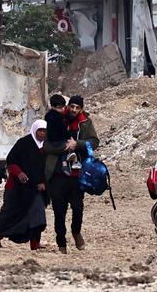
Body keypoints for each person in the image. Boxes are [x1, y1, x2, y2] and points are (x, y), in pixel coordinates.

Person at [44, 94, 99, 253]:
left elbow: (94, 143)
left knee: (78, 207)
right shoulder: (56, 119)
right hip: (57, 174)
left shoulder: (86, 123)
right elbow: (46, 145)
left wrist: (78, 144)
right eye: (72, 107)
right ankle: (61, 242)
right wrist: (64, 148)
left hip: (77, 175)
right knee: (59, 211)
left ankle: (76, 231)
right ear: (67, 107)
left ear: (81, 109)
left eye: (77, 107)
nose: (74, 110)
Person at [0, 120, 49, 250]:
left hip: (36, 188)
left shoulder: (48, 146)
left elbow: (50, 168)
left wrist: (45, 184)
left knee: (38, 215)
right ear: (34, 130)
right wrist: (19, 173)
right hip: (18, 188)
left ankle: (35, 243)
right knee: (9, 214)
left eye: (45, 131)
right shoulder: (24, 143)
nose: (42, 133)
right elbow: (11, 160)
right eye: (40, 130)